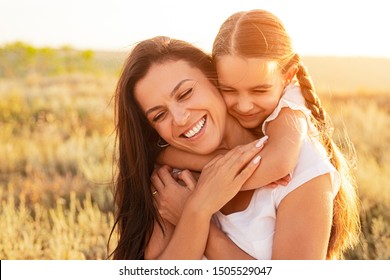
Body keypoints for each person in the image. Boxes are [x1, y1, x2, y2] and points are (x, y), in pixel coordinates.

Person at [154, 9, 360, 259]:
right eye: (228, 89)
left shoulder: (294, 127)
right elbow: (163, 155)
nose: (243, 105)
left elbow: (280, 162)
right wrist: (218, 169)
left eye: (259, 91)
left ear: (288, 76)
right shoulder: (203, 137)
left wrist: (197, 211)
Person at [109, 35, 271, 259]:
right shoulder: (171, 184)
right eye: (159, 115)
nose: (180, 118)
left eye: (185, 93)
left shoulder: (294, 162)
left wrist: (193, 212)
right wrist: (197, 213)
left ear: (215, 79)